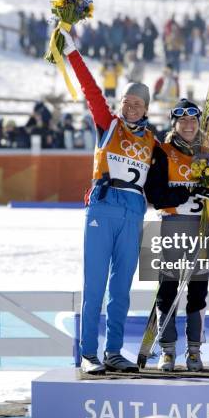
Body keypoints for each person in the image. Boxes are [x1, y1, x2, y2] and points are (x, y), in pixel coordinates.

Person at [60, 28, 156, 375]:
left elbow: (172, 171)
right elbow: (90, 89)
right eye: (127, 101)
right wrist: (72, 52)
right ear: (121, 104)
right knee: (95, 285)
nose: (131, 106)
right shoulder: (108, 123)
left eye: (138, 103)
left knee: (121, 290)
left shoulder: (153, 142)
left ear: (146, 107)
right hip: (103, 206)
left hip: (133, 212)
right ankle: (88, 353)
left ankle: (114, 351)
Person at [144, 100, 209, 371]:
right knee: (168, 287)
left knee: (198, 289)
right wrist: (188, 193)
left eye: (193, 121)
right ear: (174, 123)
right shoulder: (163, 151)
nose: (188, 125)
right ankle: (168, 349)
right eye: (182, 121)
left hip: (201, 229)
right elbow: (156, 195)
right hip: (173, 225)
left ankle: (194, 350)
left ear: (198, 123)